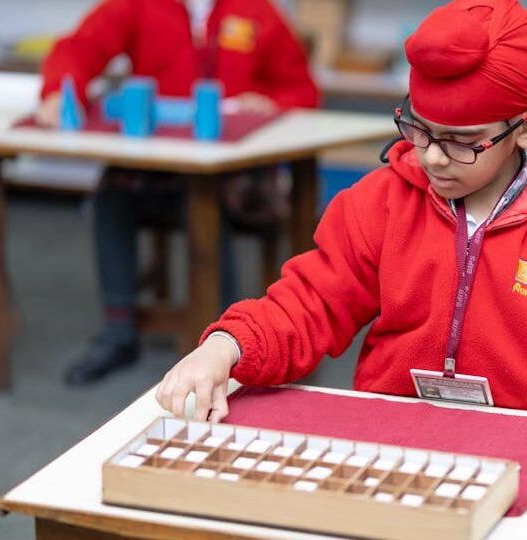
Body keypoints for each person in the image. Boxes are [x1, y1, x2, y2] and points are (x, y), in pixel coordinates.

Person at [155, 0, 527, 487]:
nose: (431, 158)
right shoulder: (381, 204)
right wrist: (227, 346)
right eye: (419, 130)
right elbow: (312, 301)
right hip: (391, 443)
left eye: (460, 142)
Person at [36, 0, 319, 385]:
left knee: (203, 202)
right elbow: (80, 47)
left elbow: (302, 90)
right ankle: (119, 331)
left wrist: (271, 104)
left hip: (234, 174)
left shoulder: (258, 11)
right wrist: (58, 90)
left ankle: (228, 339)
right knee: (111, 196)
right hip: (154, 166)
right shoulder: (135, 6)